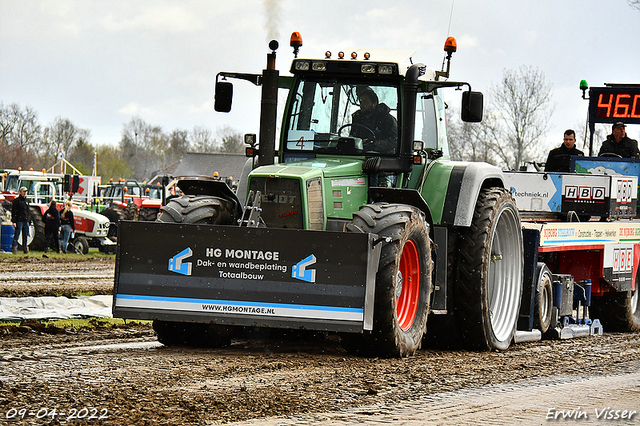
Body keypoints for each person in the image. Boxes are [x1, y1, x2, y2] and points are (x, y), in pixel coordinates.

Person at [350, 87, 398, 154]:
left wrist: (374, 145)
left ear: (374, 103)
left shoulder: (387, 119)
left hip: (382, 157)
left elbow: (395, 140)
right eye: (361, 101)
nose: (362, 105)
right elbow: (353, 136)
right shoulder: (357, 118)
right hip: (359, 155)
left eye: (365, 101)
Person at [11, 186, 31, 254]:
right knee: (17, 235)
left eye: (26, 192)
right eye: (24, 192)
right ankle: (14, 248)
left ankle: (25, 248)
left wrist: (29, 220)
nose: (25, 193)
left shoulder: (27, 201)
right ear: (20, 192)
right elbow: (14, 212)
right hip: (19, 220)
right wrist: (14, 221)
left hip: (26, 220)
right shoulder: (16, 201)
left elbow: (28, 211)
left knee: (25, 235)